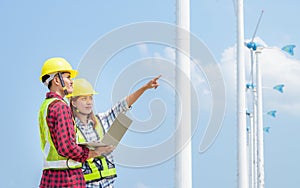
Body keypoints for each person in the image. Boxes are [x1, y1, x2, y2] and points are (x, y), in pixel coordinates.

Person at [67, 76, 161, 188]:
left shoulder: (102, 120)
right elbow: (69, 158)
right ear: (73, 102)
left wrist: (144, 88)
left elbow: (122, 105)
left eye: (90, 98)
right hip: (86, 184)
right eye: (83, 99)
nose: (89, 102)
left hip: (108, 184)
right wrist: (96, 151)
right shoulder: (69, 128)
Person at [38, 57, 114, 188]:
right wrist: (92, 153)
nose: (72, 82)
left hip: (49, 176)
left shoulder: (46, 105)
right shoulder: (61, 107)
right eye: (68, 77)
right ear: (57, 80)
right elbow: (67, 147)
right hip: (67, 178)